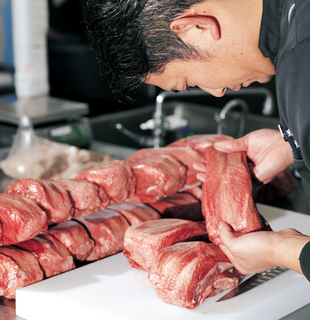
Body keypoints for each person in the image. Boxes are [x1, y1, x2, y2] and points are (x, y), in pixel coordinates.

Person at [80, 0, 310, 280]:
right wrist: (292, 141)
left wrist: (282, 251)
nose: (216, 92)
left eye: (188, 81)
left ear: (197, 26)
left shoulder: (302, 62)